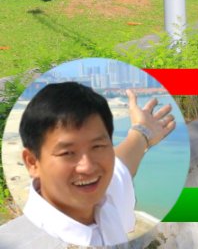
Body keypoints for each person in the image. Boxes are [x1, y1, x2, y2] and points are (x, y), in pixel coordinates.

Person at [19, 82, 177, 247]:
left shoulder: (104, 198)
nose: (87, 167)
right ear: (32, 163)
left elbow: (121, 166)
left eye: (98, 146)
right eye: (67, 153)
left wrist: (142, 131)